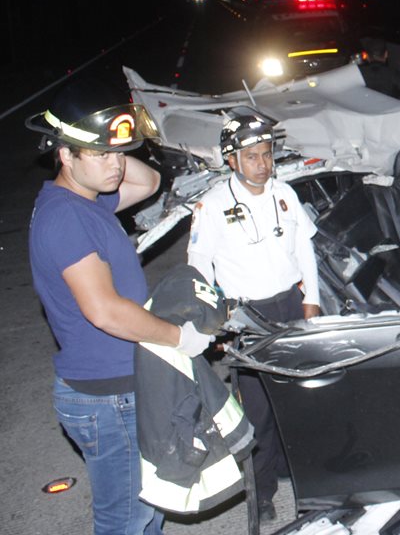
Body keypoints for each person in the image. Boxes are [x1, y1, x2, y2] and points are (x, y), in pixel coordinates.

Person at [26, 78, 214, 535]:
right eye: (102, 156)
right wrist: (179, 338)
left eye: (117, 154)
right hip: (105, 398)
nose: (115, 166)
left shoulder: (88, 202)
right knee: (125, 520)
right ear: (65, 153)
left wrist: (109, 138)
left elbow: (149, 180)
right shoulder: (65, 217)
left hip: (122, 387)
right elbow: (105, 311)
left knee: (150, 509)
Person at [185, 110, 320, 522]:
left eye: (267, 154)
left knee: (299, 400)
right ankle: (260, 494)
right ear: (232, 160)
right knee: (258, 411)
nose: (264, 165)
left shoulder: (285, 194)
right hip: (246, 315)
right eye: (253, 157)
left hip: (289, 307)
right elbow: (199, 264)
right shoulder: (212, 205)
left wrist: (311, 300)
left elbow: (305, 250)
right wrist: (213, 318)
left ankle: (307, 482)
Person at [357, 37, 400, 108]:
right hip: (386, 117)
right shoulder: (395, 75)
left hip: (362, 115)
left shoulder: (357, 73)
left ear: (367, 56)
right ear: (386, 54)